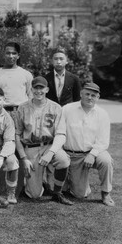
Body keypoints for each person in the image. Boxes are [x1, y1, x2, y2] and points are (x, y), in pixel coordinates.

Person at [14, 76, 72, 205]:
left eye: (41, 88)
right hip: (31, 148)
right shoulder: (22, 107)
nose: (38, 91)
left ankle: (57, 192)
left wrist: (51, 153)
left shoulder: (56, 107)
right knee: (34, 195)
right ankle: (40, 182)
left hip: (49, 146)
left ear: (47, 89)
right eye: (35, 88)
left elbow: (61, 134)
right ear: (31, 89)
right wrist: (23, 158)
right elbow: (17, 134)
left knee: (63, 160)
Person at [61, 82, 114, 206]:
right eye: (87, 94)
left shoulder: (102, 114)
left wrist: (92, 154)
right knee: (79, 195)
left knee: (106, 160)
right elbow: (60, 132)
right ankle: (73, 181)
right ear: (81, 93)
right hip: (71, 154)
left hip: (91, 154)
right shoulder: (67, 109)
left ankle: (106, 193)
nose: (90, 97)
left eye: (93, 95)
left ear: (98, 97)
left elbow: (103, 141)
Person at [0, 41, 33, 116]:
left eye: (14, 53)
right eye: (8, 53)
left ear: (18, 55)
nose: (11, 56)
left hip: (21, 113)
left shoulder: (26, 75)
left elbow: (31, 97)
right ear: (4, 55)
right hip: (1, 113)